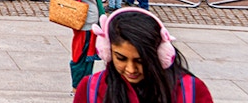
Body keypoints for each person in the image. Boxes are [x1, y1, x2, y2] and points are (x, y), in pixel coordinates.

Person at [76, 7, 215, 103]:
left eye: (141, 61)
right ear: (107, 51)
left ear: (160, 55)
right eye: (121, 58)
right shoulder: (90, 89)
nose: (131, 69)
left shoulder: (192, 90)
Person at [57, 0, 112, 91]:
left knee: (88, 56)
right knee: (81, 56)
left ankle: (84, 84)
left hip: (89, 22)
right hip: (84, 23)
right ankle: (78, 86)